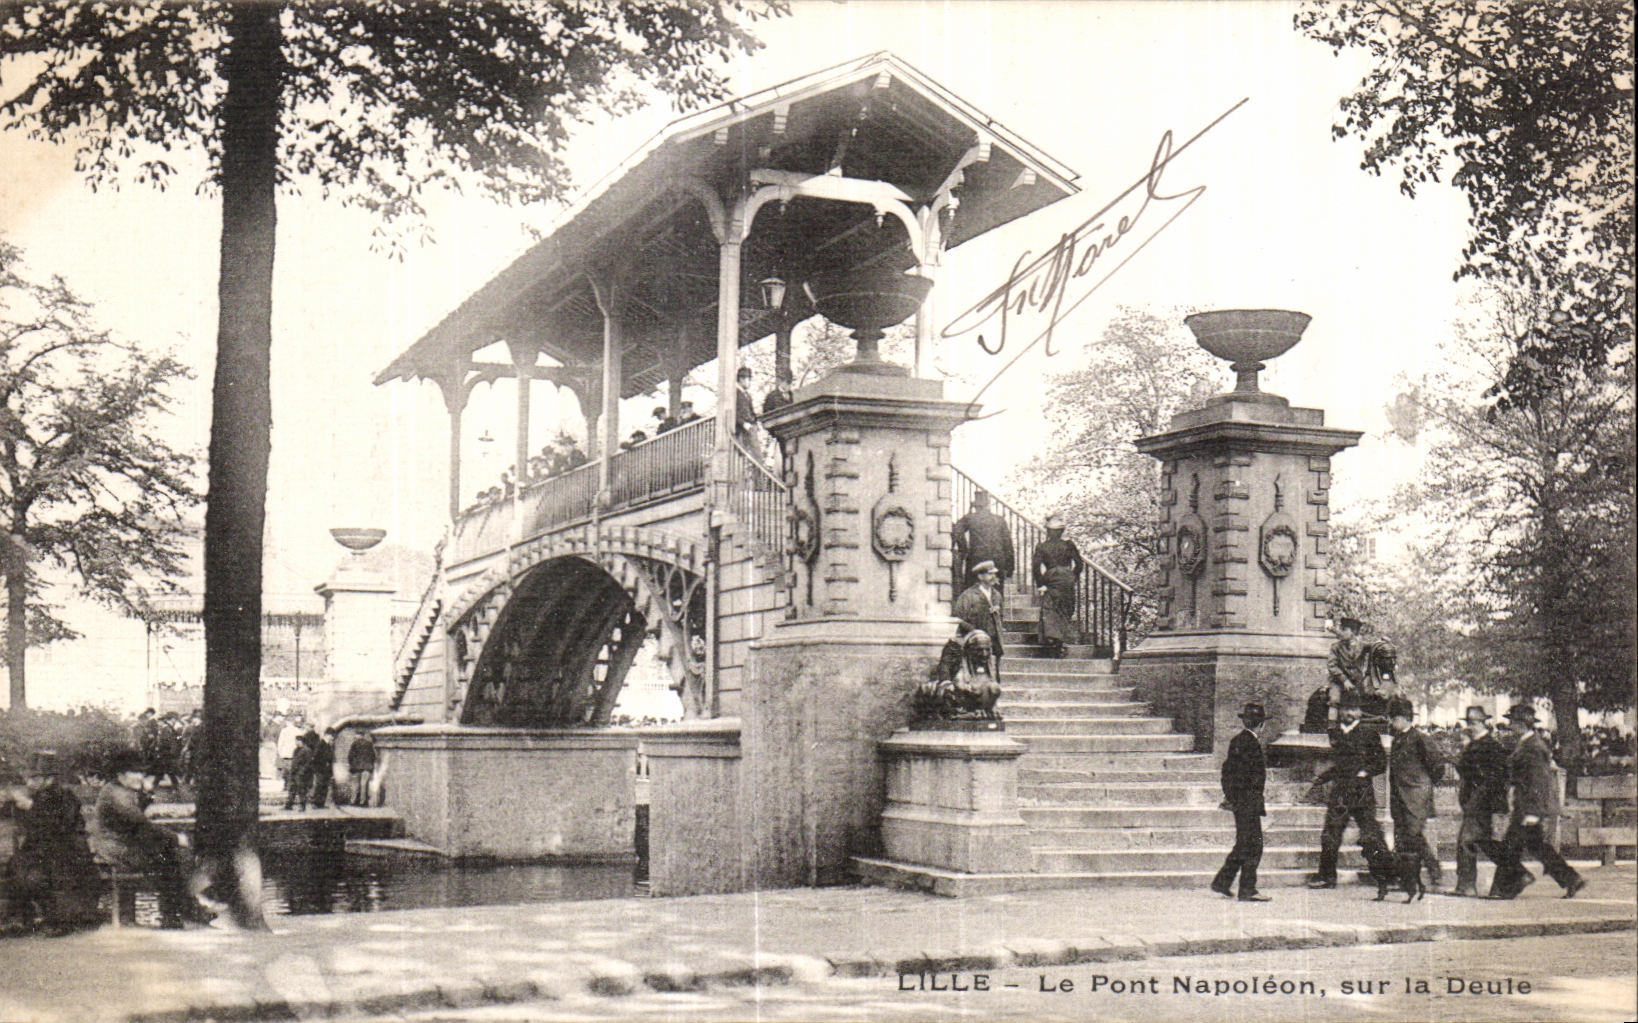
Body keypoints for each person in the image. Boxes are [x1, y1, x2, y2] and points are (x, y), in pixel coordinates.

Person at [90, 748, 210, 927]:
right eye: (135, 772)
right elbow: (142, 824)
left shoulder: (120, 789)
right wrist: (176, 837)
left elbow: (139, 818)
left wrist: (146, 794)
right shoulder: (115, 795)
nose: (141, 776)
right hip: (113, 847)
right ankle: (179, 913)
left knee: (168, 854)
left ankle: (181, 911)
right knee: (168, 858)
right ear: (121, 774)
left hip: (122, 844)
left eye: (141, 771)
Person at [1487, 704, 1585, 900]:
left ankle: (1508, 886)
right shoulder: (1527, 744)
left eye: (1513, 723)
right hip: (1525, 806)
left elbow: (1538, 781)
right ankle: (1570, 878)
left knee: (1510, 847)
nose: (1510, 726)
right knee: (1537, 847)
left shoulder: (1533, 746)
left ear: (1521, 724)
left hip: (1528, 807)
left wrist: (1532, 812)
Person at [3, 751, 102, 934]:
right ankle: (23, 918)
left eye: (33, 778)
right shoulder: (39, 795)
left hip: (67, 849)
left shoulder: (63, 796)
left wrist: (31, 807)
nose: (28, 783)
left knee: (45, 871)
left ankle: (57, 919)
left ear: (47, 778)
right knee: (19, 867)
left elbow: (59, 826)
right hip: (43, 850)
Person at [1307, 693, 1393, 889]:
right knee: (1330, 834)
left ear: (1359, 712)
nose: (1349, 713)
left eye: (1353, 709)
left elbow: (1380, 762)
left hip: (1362, 792)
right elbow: (1340, 765)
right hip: (1341, 792)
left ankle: (1387, 875)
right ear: (1340, 712)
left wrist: (1365, 771)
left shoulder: (1369, 733)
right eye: (1345, 709)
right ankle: (1326, 877)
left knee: (1371, 834)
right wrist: (1322, 777)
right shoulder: (1336, 734)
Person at [1212, 703, 1271, 902]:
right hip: (1249, 803)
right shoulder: (1252, 744)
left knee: (1244, 844)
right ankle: (1247, 889)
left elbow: (1226, 772)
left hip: (1240, 802)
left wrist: (1230, 796)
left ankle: (1222, 882)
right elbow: (1252, 779)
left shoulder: (1237, 741)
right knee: (1254, 846)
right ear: (1261, 725)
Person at [1386, 697, 1447, 891]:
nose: (1391, 722)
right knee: (1402, 835)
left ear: (1404, 718)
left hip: (1416, 796)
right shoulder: (1397, 739)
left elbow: (1437, 766)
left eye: (1394, 718)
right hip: (1399, 795)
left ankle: (1433, 869)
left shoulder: (1420, 738)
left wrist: (1424, 785)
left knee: (1413, 834)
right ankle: (1406, 878)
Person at [1452, 705, 1510, 897]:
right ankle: (1513, 872)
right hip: (1475, 802)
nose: (1471, 726)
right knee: (1484, 843)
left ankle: (1466, 886)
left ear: (1483, 722)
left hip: (1483, 804)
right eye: (1468, 722)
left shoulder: (1491, 746)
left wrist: (1477, 801)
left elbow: (1495, 779)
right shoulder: (1473, 745)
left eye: (1474, 722)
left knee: (1466, 842)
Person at [1031, 513, 1084, 658]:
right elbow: (1079, 564)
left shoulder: (1042, 546)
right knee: (1065, 608)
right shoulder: (1069, 545)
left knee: (1051, 609)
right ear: (1062, 532)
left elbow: (1036, 568)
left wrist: (1041, 584)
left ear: (1048, 531)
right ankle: (1060, 641)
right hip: (1066, 579)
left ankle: (1054, 640)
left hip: (1051, 579)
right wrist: (1073, 577)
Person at [1326, 617, 1397, 721]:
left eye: (1345, 629)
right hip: (1338, 682)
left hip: (1358, 682)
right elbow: (1332, 666)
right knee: (1334, 700)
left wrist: (1385, 642)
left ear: (1353, 632)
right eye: (1342, 629)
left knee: (1376, 696)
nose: (1341, 632)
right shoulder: (1335, 647)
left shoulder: (1362, 645)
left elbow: (1376, 645)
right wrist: (1344, 680)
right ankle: (1331, 727)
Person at [951, 492, 1015, 601]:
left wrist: (964, 550)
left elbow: (956, 531)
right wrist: (1010, 568)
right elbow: (1008, 546)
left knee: (973, 596)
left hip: (976, 562)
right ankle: (997, 616)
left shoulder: (969, 518)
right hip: (997, 563)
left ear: (975, 506)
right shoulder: (1000, 520)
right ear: (988, 505)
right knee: (996, 596)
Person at [952, 560, 1005, 679]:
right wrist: (975, 632)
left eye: (994, 574)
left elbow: (1001, 616)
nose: (993, 577)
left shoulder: (997, 595)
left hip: (993, 643)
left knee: (994, 678)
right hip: (975, 646)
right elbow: (959, 619)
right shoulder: (968, 596)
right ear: (980, 576)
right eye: (989, 574)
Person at [284, 730, 316, 811]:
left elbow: (308, 763)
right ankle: (288, 805)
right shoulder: (296, 750)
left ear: (301, 741)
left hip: (301, 774)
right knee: (292, 789)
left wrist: (302, 772)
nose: (296, 743)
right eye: (296, 741)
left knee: (301, 791)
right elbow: (294, 761)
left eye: (297, 741)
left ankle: (302, 806)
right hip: (294, 773)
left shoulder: (307, 750)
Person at [347, 729, 377, 808]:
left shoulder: (354, 744)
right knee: (363, 784)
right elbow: (373, 756)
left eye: (356, 734)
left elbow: (350, 756)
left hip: (356, 768)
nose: (355, 736)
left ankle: (353, 801)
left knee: (355, 785)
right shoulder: (369, 744)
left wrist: (351, 764)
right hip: (367, 767)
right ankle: (362, 802)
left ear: (359, 735)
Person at [310, 728, 337, 810]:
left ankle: (321, 803)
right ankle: (315, 802)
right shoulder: (321, 744)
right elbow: (316, 757)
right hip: (320, 769)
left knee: (324, 786)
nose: (332, 738)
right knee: (319, 785)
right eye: (331, 736)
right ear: (327, 735)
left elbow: (330, 758)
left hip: (326, 770)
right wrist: (322, 765)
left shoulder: (328, 745)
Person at [276, 716, 302, 785]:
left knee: (285, 770)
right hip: (295, 753)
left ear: (287, 722)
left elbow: (280, 742)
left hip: (285, 753)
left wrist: (280, 752)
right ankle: (290, 784)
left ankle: (286, 784)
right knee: (292, 770)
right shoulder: (298, 730)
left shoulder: (284, 731)